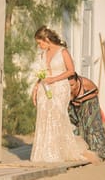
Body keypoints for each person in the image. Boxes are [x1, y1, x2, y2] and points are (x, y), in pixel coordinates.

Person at [30, 26, 98, 163]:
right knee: (44, 117)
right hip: (45, 88)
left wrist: (54, 79)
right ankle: (44, 153)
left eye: (40, 42)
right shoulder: (43, 54)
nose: (39, 46)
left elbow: (71, 71)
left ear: (47, 39)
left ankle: (58, 152)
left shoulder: (63, 52)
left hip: (60, 87)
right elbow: (42, 73)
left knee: (57, 116)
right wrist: (36, 87)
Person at [68, 73, 105, 160]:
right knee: (76, 126)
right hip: (76, 105)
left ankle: (99, 152)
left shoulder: (85, 82)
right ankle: (83, 150)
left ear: (77, 80)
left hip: (90, 102)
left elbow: (96, 91)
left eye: (72, 85)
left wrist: (82, 99)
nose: (70, 88)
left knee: (92, 126)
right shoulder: (66, 87)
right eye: (68, 85)